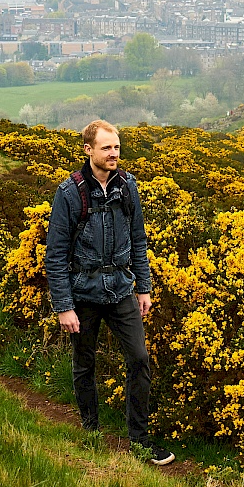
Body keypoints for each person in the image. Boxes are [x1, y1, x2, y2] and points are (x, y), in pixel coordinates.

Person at [44, 119, 174, 466]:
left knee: (139, 359)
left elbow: (138, 240)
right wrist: (63, 307)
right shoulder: (69, 193)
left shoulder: (128, 186)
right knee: (84, 363)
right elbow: (55, 256)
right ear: (88, 150)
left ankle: (140, 441)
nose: (114, 153)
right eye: (106, 147)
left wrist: (143, 287)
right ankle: (91, 432)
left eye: (116, 147)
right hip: (83, 293)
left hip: (120, 290)